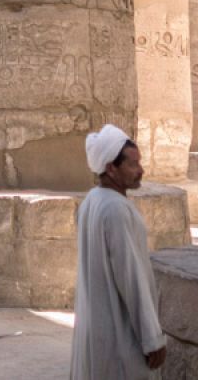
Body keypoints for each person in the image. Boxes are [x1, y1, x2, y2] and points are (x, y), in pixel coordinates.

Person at [71, 124, 167, 379]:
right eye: (133, 165)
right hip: (118, 334)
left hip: (98, 328)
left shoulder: (91, 201)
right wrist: (152, 338)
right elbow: (131, 277)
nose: (141, 171)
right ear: (111, 168)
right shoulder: (115, 210)